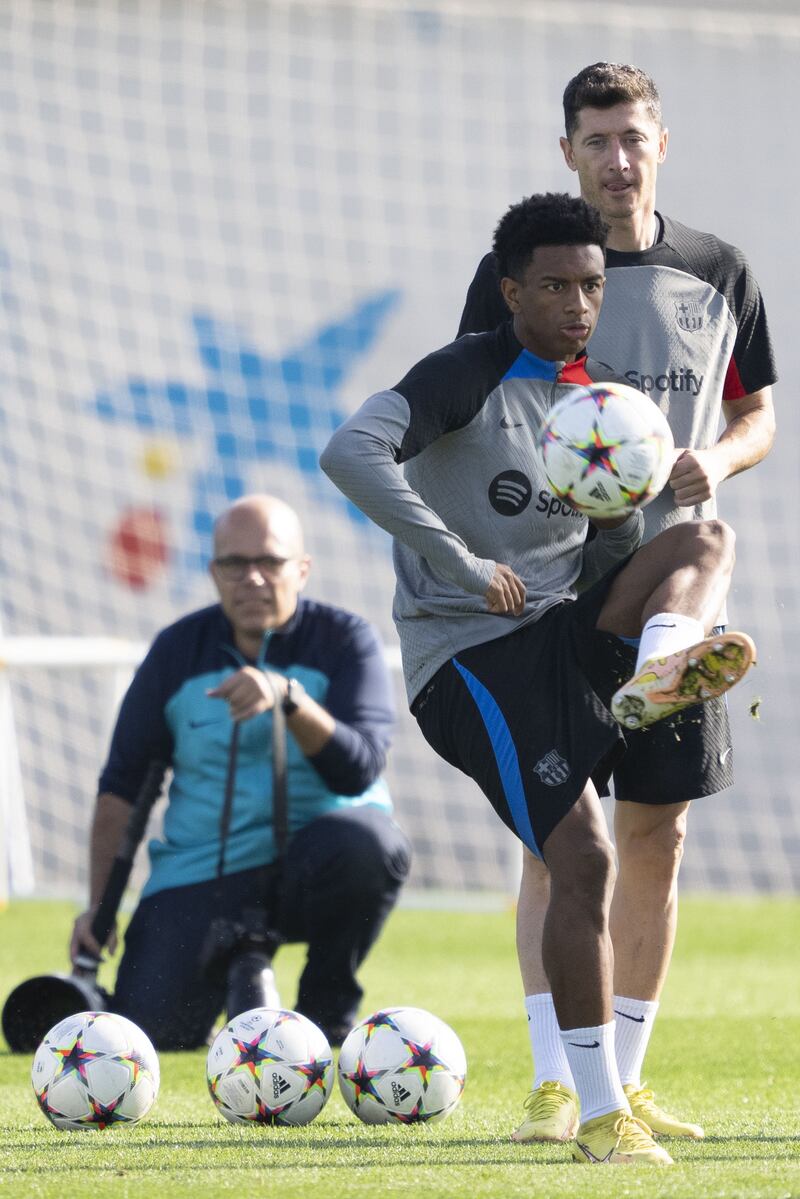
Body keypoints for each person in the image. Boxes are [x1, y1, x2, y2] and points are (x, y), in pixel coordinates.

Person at [321, 191, 755, 1164]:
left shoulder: (599, 407)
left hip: (559, 634)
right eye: (553, 285)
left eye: (590, 286)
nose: (575, 303)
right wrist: (460, 561)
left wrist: (646, 510)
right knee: (584, 859)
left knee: (702, 534)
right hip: (467, 657)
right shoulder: (461, 373)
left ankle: (659, 664)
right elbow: (346, 450)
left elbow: (604, 553)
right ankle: (597, 1112)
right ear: (511, 288)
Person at [457, 63, 777, 1145]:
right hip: (554, 593)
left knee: (659, 833)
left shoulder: (716, 269)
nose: (616, 155)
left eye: (631, 136)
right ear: (566, 152)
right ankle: (558, 1083)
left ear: (660, 142)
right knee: (555, 842)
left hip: (670, 586)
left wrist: (711, 459)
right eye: (594, 139)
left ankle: (625, 1078)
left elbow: (758, 415)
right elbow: (471, 411)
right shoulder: (517, 274)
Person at [70, 494, 411, 1050]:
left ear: (301, 569)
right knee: (151, 1035)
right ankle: (235, 968)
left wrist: (287, 697)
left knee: (369, 844)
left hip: (317, 865)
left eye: (269, 562)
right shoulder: (175, 651)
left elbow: (358, 769)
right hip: (203, 873)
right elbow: (122, 788)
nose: (252, 578)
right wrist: (99, 906)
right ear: (213, 572)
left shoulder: (347, 640)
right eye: (234, 563)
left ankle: (326, 1019)